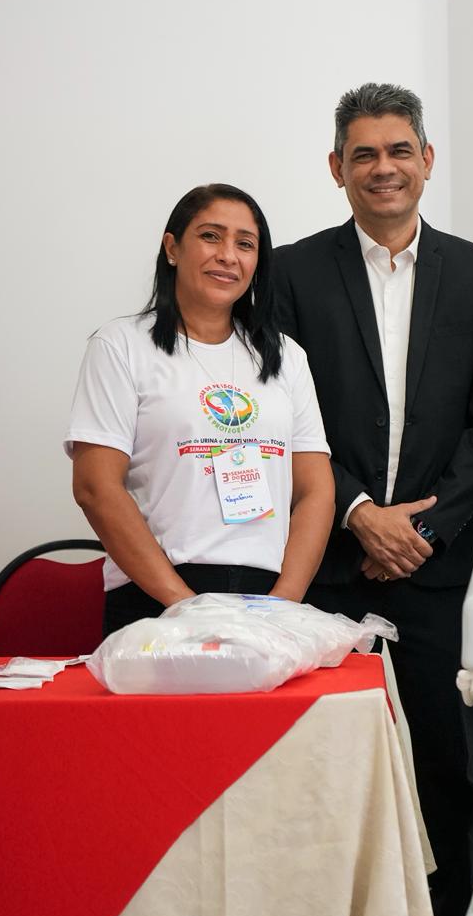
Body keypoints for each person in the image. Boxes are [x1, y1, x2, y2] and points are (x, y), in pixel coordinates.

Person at [272, 83, 473, 916]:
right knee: (327, 776)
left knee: (448, 775)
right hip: (326, 569)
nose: (384, 168)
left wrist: (421, 530)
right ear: (337, 168)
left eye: (399, 150)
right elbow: (282, 414)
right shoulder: (289, 273)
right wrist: (359, 515)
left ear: (427, 160)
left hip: (440, 571)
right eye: (364, 154)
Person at [66, 183, 334, 633]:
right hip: (156, 595)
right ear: (172, 248)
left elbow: (316, 491)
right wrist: (183, 603)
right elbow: (95, 487)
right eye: (211, 236)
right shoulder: (120, 346)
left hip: (266, 599)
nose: (228, 256)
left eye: (245, 244)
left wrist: (283, 603)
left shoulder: (287, 357)